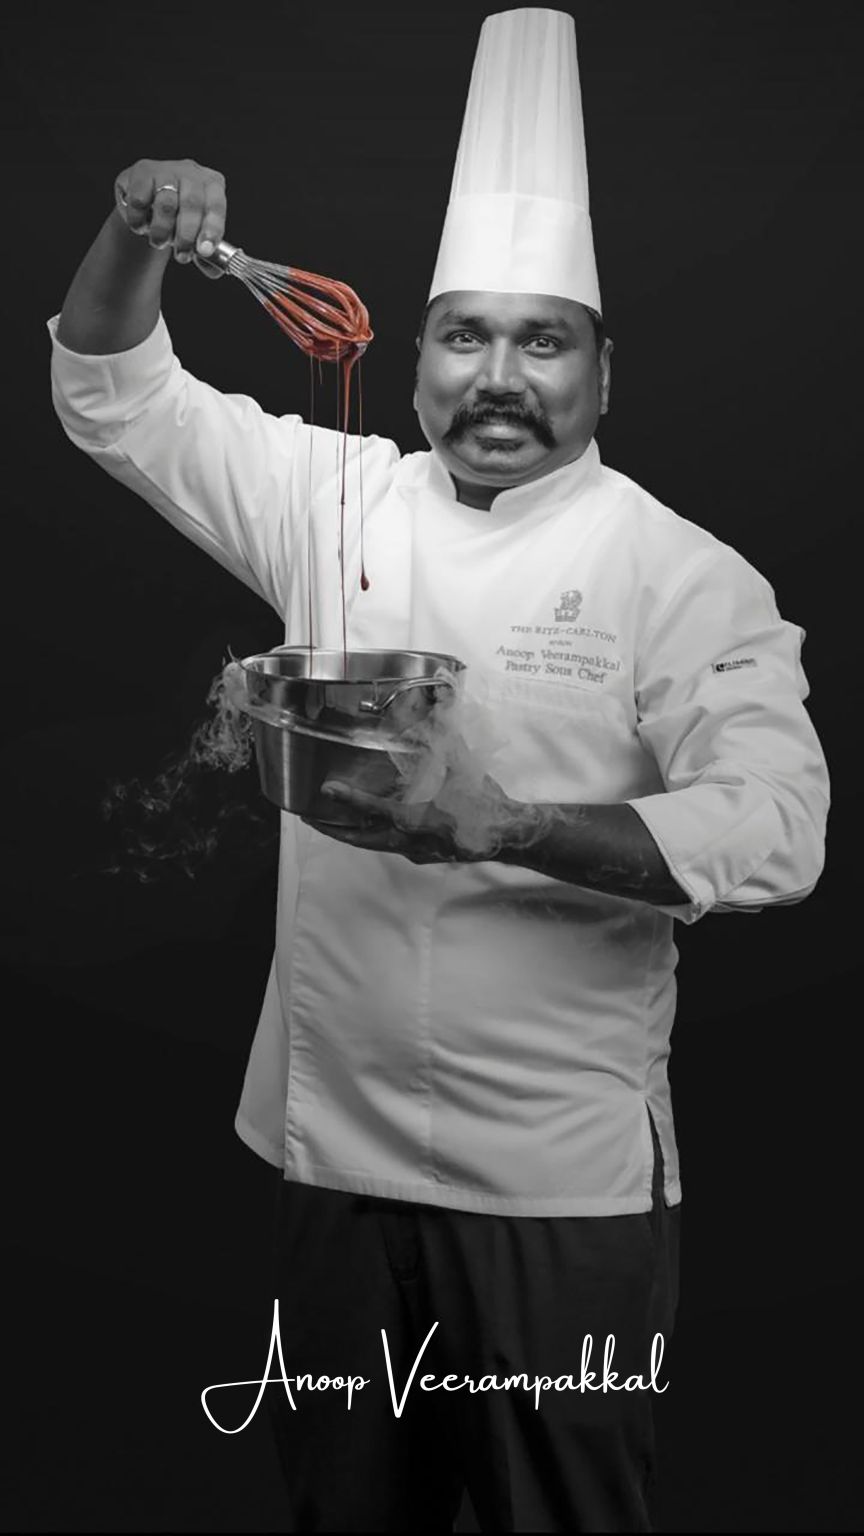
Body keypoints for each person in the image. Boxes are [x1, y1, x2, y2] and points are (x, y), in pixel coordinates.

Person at [48, 10, 829, 1531]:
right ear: (415, 358)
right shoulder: (336, 501)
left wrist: (503, 822)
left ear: (603, 368)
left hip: (555, 1192)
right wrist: (134, 230)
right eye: (466, 336)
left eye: (543, 341)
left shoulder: (679, 574)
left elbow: (778, 827)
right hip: (330, 1163)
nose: (499, 378)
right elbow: (110, 391)